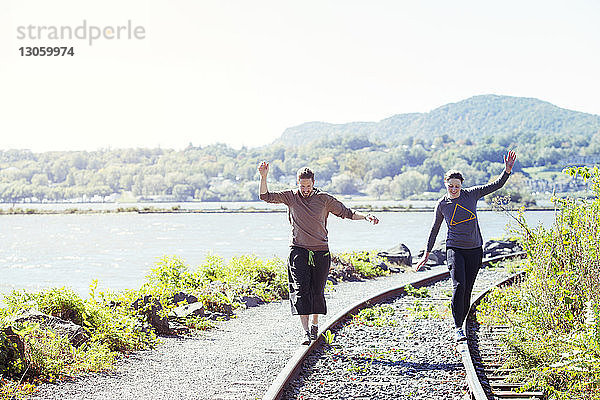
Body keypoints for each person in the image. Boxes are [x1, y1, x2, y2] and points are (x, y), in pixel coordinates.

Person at [258, 162, 379, 345]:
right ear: (298, 183)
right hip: (298, 250)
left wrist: (366, 216)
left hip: (321, 251)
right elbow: (265, 196)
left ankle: (315, 322)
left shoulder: (324, 199)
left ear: (314, 183)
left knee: (317, 291)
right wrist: (264, 177)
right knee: (301, 291)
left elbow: (347, 212)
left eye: (308, 186)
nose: (305, 189)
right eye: (302, 186)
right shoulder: (291, 197)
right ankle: (306, 332)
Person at [416, 150, 517, 342]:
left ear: (461, 185)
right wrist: (426, 254)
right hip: (454, 248)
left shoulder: (471, 194)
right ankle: (457, 327)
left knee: (468, 289)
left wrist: (507, 171)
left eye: (457, 186)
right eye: (450, 186)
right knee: (459, 286)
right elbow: (434, 229)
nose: (454, 189)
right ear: (445, 185)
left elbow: (496, 185)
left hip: (475, 249)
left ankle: (461, 322)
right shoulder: (442, 204)